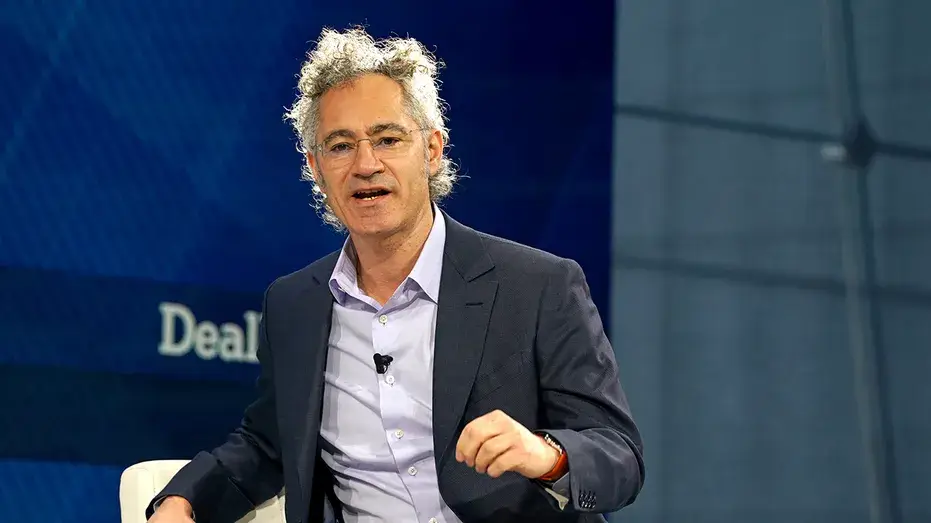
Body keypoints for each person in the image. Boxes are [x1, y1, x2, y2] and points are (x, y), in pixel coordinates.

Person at [146, 26, 644, 523]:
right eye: (340, 146)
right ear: (315, 168)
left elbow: (619, 456)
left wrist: (547, 455)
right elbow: (266, 444)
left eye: (388, 139)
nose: (366, 164)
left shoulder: (537, 286)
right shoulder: (294, 304)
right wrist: (183, 498)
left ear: (432, 150)